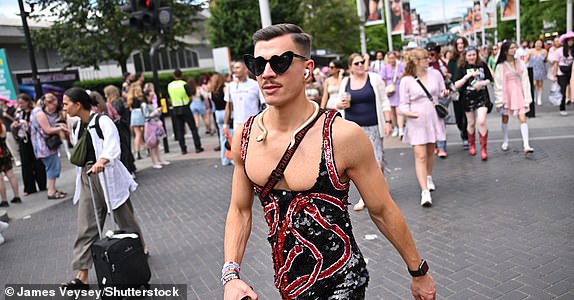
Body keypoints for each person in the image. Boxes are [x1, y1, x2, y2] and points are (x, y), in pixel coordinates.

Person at [223, 23, 435, 300]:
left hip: (342, 282)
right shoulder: (246, 136)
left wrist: (418, 271)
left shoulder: (342, 136)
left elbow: (382, 209)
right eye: (258, 64)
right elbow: (240, 211)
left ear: (308, 69)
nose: (268, 73)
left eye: (281, 62)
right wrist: (231, 276)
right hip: (289, 284)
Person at [60, 87, 146, 290]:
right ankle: (82, 276)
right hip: (88, 178)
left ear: (78, 104)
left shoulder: (102, 121)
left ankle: (137, 253)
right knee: (86, 225)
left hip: (107, 175)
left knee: (125, 221)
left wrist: (102, 160)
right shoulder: (76, 126)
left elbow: (113, 145)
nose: (64, 109)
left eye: (66, 104)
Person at [337, 53, 393, 211]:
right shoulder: (346, 82)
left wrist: (388, 122)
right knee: (360, 163)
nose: (361, 65)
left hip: (373, 126)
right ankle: (371, 192)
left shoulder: (374, 79)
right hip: (353, 129)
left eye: (362, 62)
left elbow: (384, 101)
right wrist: (340, 104)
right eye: (357, 63)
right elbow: (339, 102)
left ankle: (373, 195)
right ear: (350, 67)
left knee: (376, 160)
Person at [399, 48, 448, 206]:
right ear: (416, 61)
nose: (429, 60)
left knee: (430, 151)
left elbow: (440, 92)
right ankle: (425, 191)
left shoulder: (435, 74)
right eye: (425, 58)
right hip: (417, 120)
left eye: (429, 57)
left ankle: (428, 175)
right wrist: (409, 113)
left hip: (432, 117)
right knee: (420, 155)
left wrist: (445, 93)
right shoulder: (406, 80)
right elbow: (403, 104)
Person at [454, 46, 493, 160]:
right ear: (465, 57)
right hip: (467, 97)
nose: (472, 57)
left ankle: (484, 149)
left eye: (474, 55)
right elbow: (456, 84)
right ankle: (472, 144)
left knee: (481, 121)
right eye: (469, 55)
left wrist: (482, 83)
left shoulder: (482, 65)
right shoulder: (461, 67)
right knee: (471, 123)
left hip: (482, 96)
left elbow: (489, 79)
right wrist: (467, 77)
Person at [494, 41, 534, 153]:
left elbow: (525, 80)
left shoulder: (520, 63)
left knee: (522, 117)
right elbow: (498, 84)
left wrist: (527, 97)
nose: (514, 50)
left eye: (515, 47)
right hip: (506, 94)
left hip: (518, 93)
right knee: (505, 118)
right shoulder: (500, 66)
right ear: (506, 50)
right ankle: (505, 141)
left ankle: (526, 145)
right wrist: (499, 100)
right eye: (511, 48)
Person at [30, 93, 69, 199]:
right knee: (52, 167)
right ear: (47, 103)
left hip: (41, 146)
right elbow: (47, 130)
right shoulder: (40, 114)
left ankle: (52, 189)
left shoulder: (36, 111)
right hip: (45, 146)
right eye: (53, 105)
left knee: (51, 167)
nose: (54, 108)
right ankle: (51, 191)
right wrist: (62, 128)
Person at [11, 93, 46, 197]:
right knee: (26, 164)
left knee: (38, 162)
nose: (20, 105)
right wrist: (15, 125)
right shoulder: (19, 113)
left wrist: (26, 124)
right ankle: (29, 187)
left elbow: (36, 125)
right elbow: (14, 125)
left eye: (22, 103)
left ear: (27, 101)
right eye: (19, 103)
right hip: (23, 139)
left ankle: (42, 184)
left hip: (33, 139)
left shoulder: (34, 112)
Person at [168, 69, 204, 154]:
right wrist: (188, 103)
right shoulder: (183, 84)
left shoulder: (170, 85)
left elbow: (169, 98)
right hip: (185, 107)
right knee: (193, 128)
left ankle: (183, 149)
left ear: (174, 76)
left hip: (175, 108)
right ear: (181, 75)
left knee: (180, 130)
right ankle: (197, 147)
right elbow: (190, 96)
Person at [104, 85, 136, 176]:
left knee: (124, 149)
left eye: (106, 93)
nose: (105, 96)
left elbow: (116, 114)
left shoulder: (115, 103)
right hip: (124, 127)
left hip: (120, 128)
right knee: (126, 148)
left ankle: (129, 170)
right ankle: (131, 167)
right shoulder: (120, 100)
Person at [223, 61, 265, 131]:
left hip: (253, 123)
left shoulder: (255, 85)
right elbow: (228, 106)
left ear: (245, 69)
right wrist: (225, 125)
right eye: (234, 68)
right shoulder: (230, 86)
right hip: (237, 124)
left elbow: (264, 104)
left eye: (237, 68)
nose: (234, 70)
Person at [447, 37, 470, 149]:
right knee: (459, 116)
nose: (460, 45)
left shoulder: (469, 57)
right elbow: (450, 75)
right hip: (456, 91)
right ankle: (462, 131)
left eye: (462, 43)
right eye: (458, 44)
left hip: (468, 90)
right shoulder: (452, 60)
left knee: (468, 116)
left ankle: (466, 136)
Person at [208, 73, 233, 166]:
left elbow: (213, 104)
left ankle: (224, 159)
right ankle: (231, 158)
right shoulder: (225, 89)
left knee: (222, 137)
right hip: (226, 112)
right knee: (230, 136)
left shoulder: (212, 92)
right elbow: (229, 103)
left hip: (217, 113)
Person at [142, 90, 169, 169]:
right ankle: (155, 161)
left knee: (157, 142)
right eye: (151, 96)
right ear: (146, 96)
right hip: (150, 124)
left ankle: (159, 159)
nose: (152, 98)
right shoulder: (144, 105)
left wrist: (158, 111)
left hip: (155, 123)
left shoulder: (150, 104)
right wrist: (156, 111)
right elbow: (146, 116)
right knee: (152, 144)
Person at [382, 51, 405, 138]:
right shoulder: (385, 68)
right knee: (392, 111)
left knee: (399, 110)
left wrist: (401, 76)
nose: (392, 60)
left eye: (393, 58)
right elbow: (383, 79)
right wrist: (385, 91)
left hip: (399, 89)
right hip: (390, 90)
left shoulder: (401, 66)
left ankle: (401, 129)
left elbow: (406, 75)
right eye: (390, 58)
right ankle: (395, 127)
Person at [550, 32, 574, 116]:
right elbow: (555, 64)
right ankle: (562, 107)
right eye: (569, 41)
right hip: (561, 73)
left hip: (571, 72)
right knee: (563, 91)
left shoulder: (573, 51)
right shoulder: (559, 51)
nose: (571, 42)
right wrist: (555, 75)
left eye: (572, 40)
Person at [0, 121, 21, 207]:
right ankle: (17, 196)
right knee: (11, 175)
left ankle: (4, 200)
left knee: (0, 179)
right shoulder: (2, 126)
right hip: (5, 152)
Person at [525, 40, 548, 106]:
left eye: (540, 43)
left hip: (541, 69)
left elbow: (546, 60)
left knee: (540, 84)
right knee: (533, 84)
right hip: (532, 69)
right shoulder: (530, 51)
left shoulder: (544, 51)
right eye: (537, 43)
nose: (538, 45)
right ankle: (533, 96)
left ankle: (539, 97)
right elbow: (526, 59)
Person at [127, 83, 145, 160]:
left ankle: (137, 151)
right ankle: (145, 147)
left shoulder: (130, 99)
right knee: (141, 133)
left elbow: (129, 108)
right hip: (139, 113)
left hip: (133, 114)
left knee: (136, 134)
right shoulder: (140, 99)